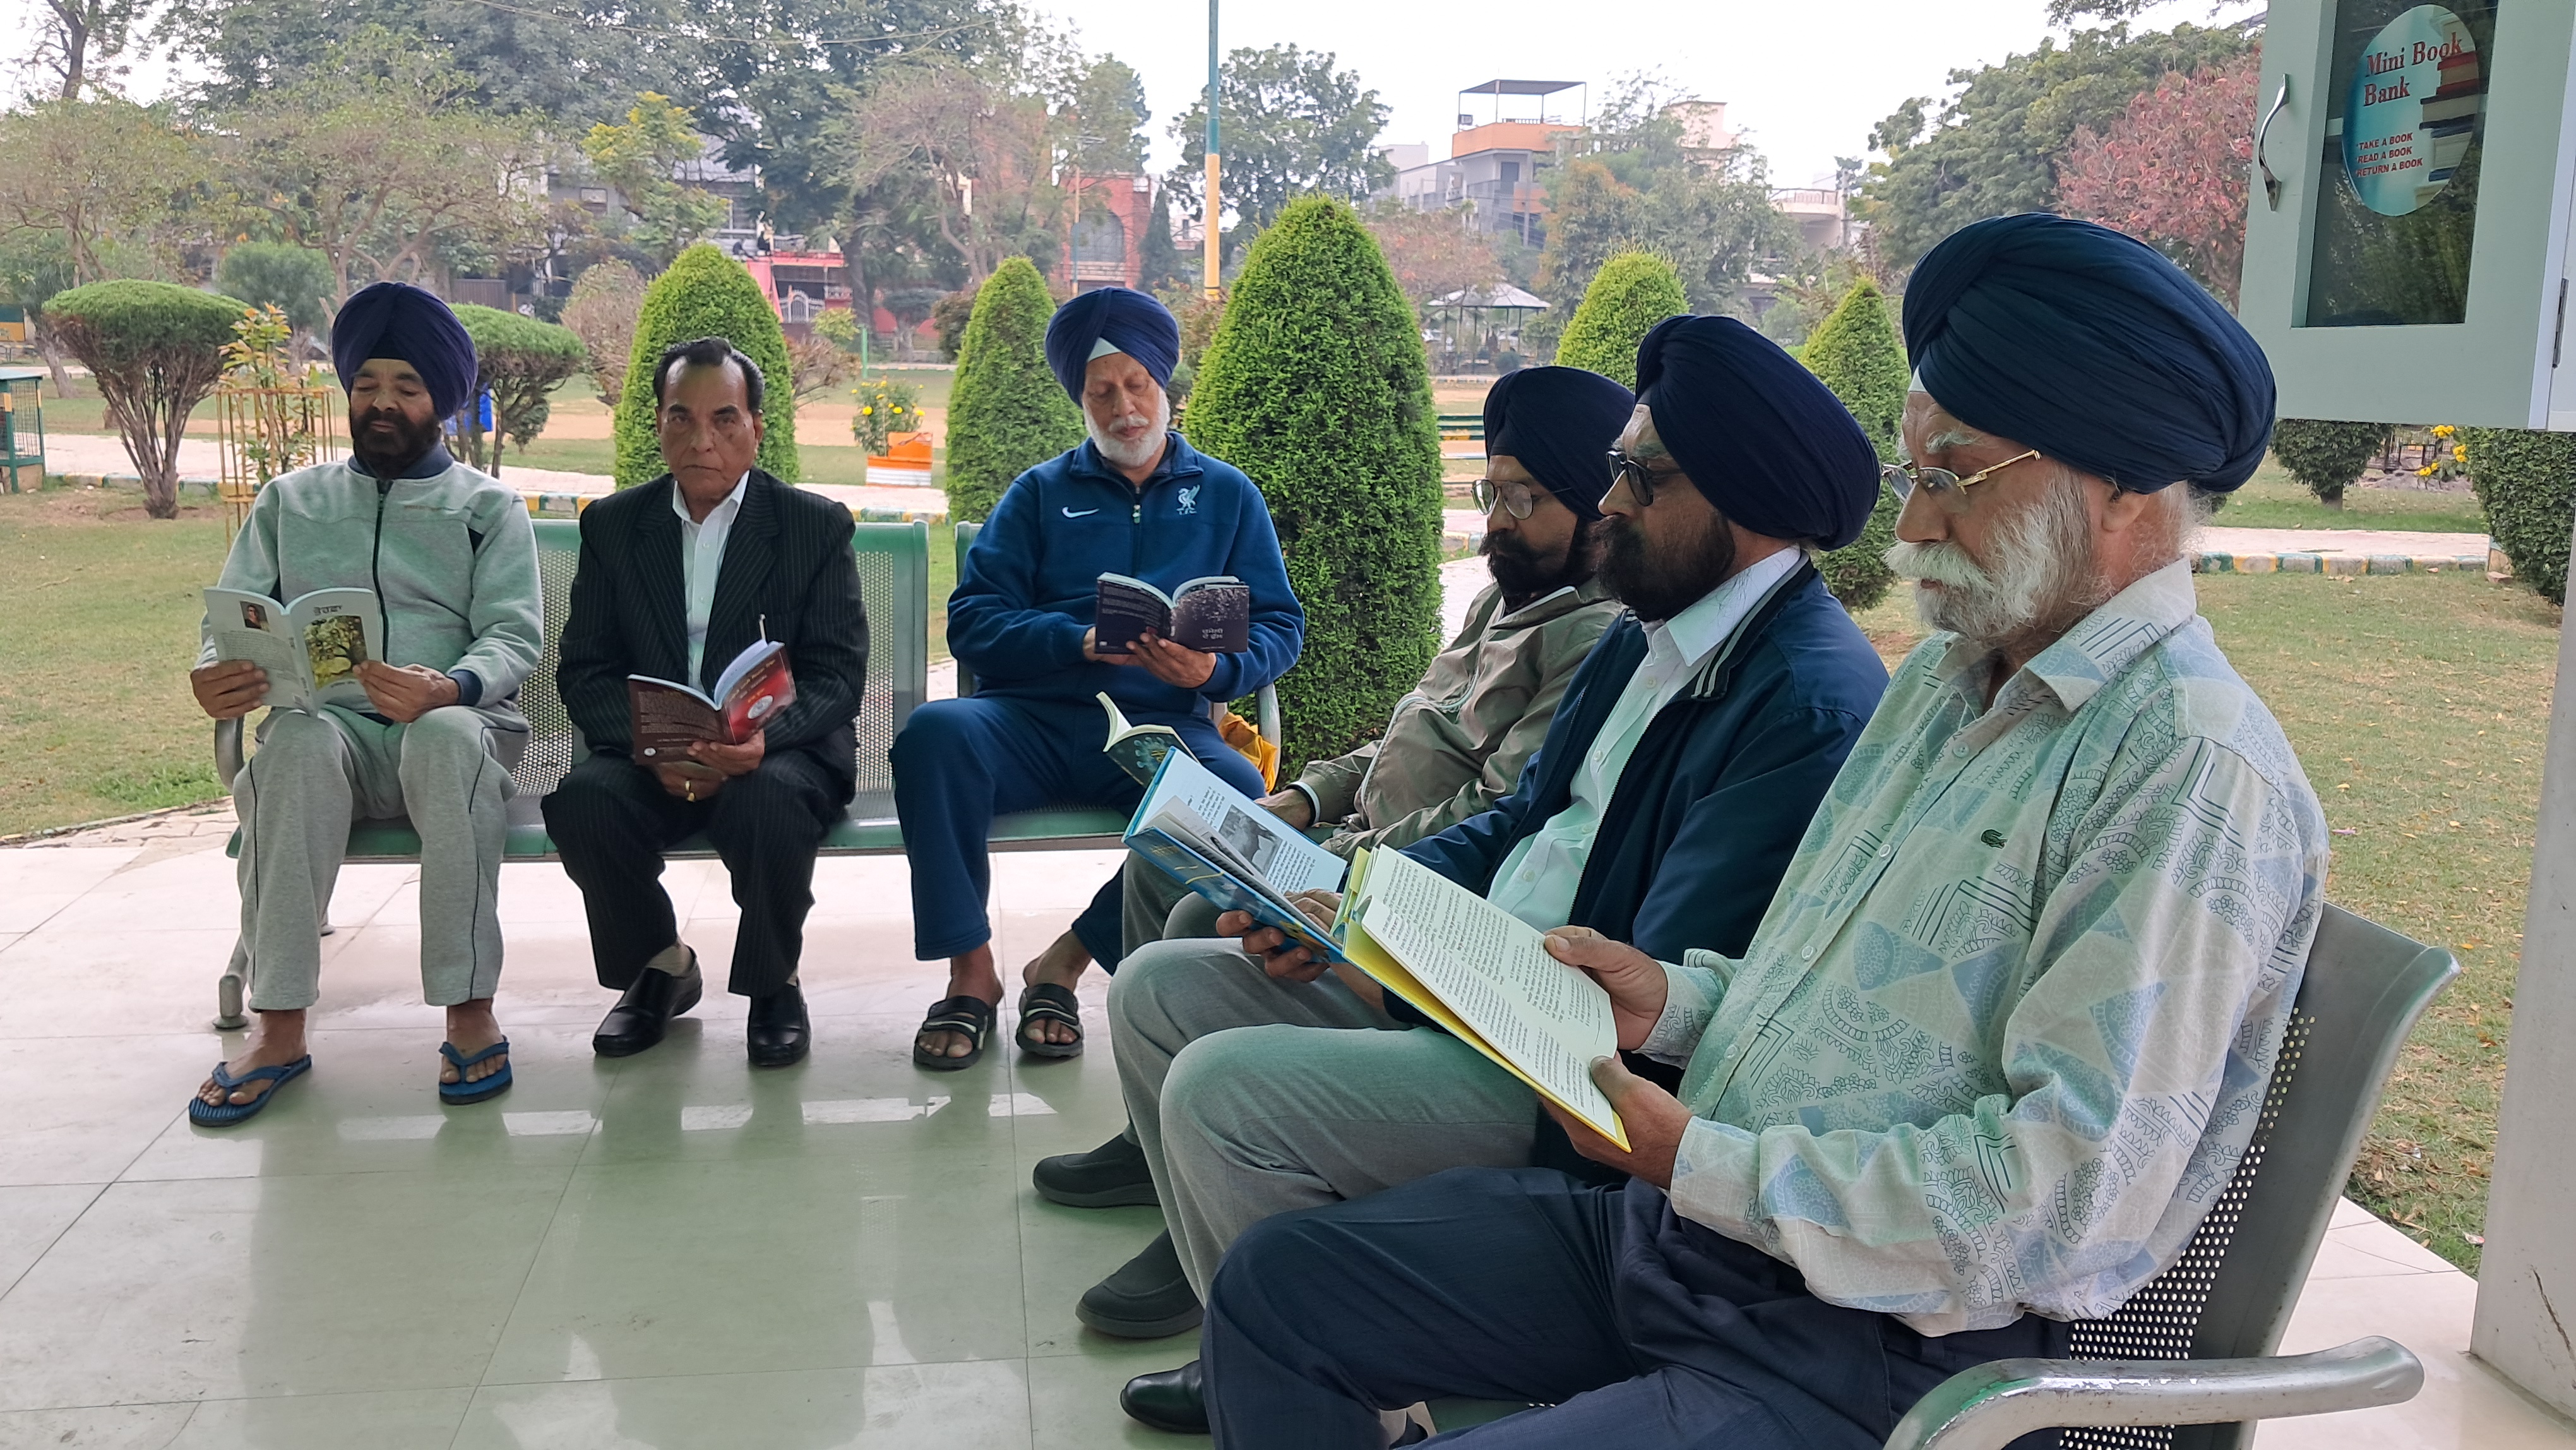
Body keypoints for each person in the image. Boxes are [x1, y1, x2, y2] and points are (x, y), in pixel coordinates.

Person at [1195, 213, 2329, 1450]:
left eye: (1954, 478)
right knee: (1277, 1291)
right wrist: (1670, 1005)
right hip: (1706, 1244)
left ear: (2116, 481)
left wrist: (1694, 1158)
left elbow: (2055, 1200)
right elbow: (1824, 986)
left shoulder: (2189, 770)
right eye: (1915, 480)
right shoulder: (1951, 685)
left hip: (1884, 1352)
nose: (1912, 529)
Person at [1099, 318, 1895, 1422]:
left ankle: (1356, 1379)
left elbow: (1640, 995)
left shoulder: (1803, 700)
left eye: (1636, 475)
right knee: (1155, 989)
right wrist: (1354, 906)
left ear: (1740, 502)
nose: (1608, 501)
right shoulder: (1647, 636)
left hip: (1559, 1075)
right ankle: (1248, 1341)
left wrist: (1401, 967)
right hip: (1465, 972)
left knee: (1222, 1095)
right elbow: (1520, 817)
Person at [1029, 365, 1635, 1214]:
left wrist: (1329, 855)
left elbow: (1494, 813)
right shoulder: (1504, 598)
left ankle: (1211, 1161)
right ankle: (1153, 1138)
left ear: (1592, 503)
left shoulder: (1592, 636)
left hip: (1410, 891)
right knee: (1162, 858)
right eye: (1490, 492)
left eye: (1523, 499)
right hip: (1353, 842)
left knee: (1205, 909)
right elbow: (1404, 733)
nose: (1496, 523)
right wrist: (1302, 803)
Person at [893, 286, 1303, 1071]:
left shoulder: (1226, 495)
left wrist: (1214, 668)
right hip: (1030, 722)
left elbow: (1282, 626)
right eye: (1101, 391)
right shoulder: (1039, 494)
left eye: (1136, 385)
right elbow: (973, 618)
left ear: (1164, 388)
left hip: (1163, 725)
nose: (1123, 407)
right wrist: (1074, 641)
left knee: (1238, 804)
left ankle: (1066, 960)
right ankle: (970, 977)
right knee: (936, 734)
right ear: (1080, 400)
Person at [186, 282, 544, 1124]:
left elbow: (514, 635)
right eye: (367, 385)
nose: (383, 404)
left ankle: (468, 1010)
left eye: (407, 388)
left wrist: (448, 686)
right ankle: (278, 1027)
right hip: (333, 731)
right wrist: (218, 673)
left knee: (450, 739)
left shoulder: (486, 509)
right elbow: (234, 617)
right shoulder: (291, 503)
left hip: (458, 728)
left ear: (442, 403)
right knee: (297, 747)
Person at [545, 337, 869, 1070]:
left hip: (775, 753)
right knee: (583, 804)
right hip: (650, 751)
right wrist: (650, 747)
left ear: (757, 426)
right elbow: (586, 669)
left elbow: (836, 673)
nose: (702, 440)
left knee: (770, 804)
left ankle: (772, 983)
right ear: (656, 425)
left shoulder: (813, 527)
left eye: (724, 419)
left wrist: (760, 741)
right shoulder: (616, 527)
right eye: (680, 418)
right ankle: (659, 964)